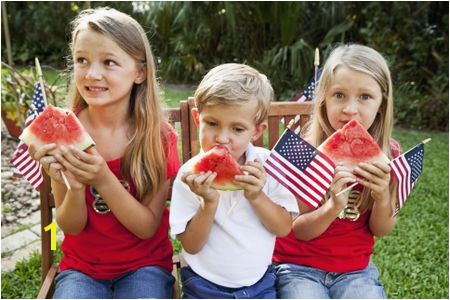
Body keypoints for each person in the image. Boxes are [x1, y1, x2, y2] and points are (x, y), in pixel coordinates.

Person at [29, 7, 180, 299]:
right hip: (81, 268)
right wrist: (73, 187)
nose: (92, 73)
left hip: (146, 264)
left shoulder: (159, 138)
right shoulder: (64, 132)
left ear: (139, 72)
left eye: (109, 62)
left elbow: (147, 227)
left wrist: (103, 179)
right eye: (81, 60)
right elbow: (70, 226)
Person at [273, 44, 402, 299]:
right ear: (324, 99)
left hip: (356, 271)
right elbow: (297, 230)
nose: (350, 109)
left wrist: (382, 196)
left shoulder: (390, 156)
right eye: (339, 95)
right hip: (297, 266)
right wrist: (332, 206)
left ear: (381, 104)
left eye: (364, 97)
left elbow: (381, 229)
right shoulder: (302, 151)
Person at [169, 63, 299, 298]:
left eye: (237, 129)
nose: (221, 138)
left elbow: (283, 228)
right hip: (203, 284)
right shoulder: (189, 176)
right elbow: (191, 245)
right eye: (212, 123)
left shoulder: (269, 166)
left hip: (260, 283)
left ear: (256, 131)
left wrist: (257, 196)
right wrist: (208, 203)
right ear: (197, 119)